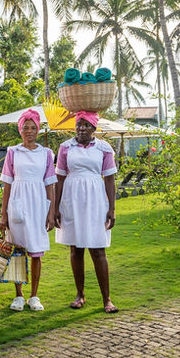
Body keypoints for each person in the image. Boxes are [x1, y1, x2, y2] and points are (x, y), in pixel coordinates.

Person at [53, 111, 119, 313]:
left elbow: (109, 179)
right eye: (79, 124)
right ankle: (80, 295)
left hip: (95, 199)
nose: (82, 128)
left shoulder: (103, 148)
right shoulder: (65, 147)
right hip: (71, 198)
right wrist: (55, 208)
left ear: (94, 128)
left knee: (98, 249)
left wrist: (112, 208)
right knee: (76, 249)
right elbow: (60, 178)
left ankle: (106, 299)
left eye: (86, 125)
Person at [0, 108, 56, 311]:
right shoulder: (13, 152)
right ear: (20, 130)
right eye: (26, 127)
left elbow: (50, 184)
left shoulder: (46, 154)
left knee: (36, 252)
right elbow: (7, 183)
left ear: (38, 130)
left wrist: (52, 212)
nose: (29, 131)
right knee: (17, 251)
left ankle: (34, 295)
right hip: (18, 201)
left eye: (33, 128)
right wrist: (3, 213)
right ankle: (18, 295)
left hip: (38, 203)